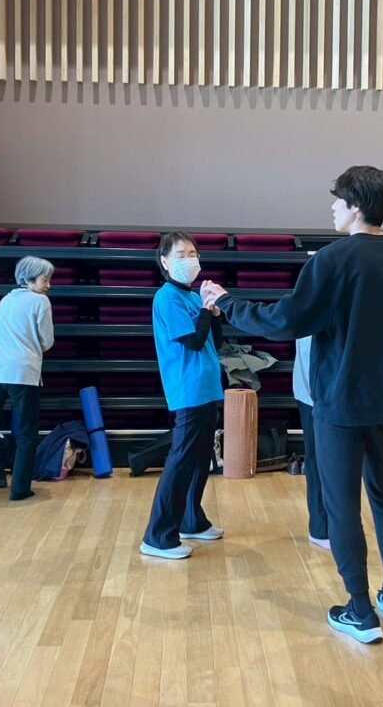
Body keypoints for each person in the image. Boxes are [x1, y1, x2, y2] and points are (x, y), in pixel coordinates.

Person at [202, 165, 383, 644]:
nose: (332, 208)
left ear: (355, 205)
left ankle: (359, 610)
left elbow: (285, 320)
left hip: (340, 403)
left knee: (341, 505)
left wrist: (227, 303)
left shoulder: (332, 260)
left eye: (337, 200)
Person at [140, 232, 225, 560]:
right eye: (180, 254)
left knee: (202, 457)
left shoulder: (191, 296)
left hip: (207, 386)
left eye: (192, 253)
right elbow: (192, 341)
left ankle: (192, 520)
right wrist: (205, 309)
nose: (189, 259)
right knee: (181, 459)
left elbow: (213, 341)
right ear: (164, 261)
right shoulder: (167, 298)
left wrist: (213, 315)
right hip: (188, 388)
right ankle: (158, 535)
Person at [0, 256, 55, 501]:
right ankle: (20, 488)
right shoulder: (40, 301)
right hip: (21, 373)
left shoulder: (4, 300)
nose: (48, 285)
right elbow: (47, 341)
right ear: (30, 279)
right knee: (26, 432)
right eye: (45, 279)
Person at [294, 335, 329, 551]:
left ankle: (333, 525)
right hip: (313, 394)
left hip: (332, 393)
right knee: (317, 459)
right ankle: (320, 528)